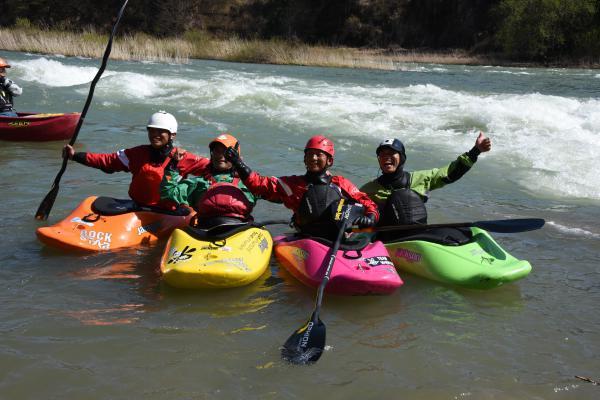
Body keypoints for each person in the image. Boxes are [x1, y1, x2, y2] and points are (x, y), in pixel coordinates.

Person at [224, 135, 379, 239]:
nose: (313, 158)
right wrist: (239, 164)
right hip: (307, 237)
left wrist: (370, 217)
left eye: (319, 154)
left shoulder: (341, 183)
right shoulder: (292, 184)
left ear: (329, 161)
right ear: (304, 159)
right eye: (309, 154)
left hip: (337, 236)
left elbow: (365, 201)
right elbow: (259, 184)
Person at [63, 111, 204, 210]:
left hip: (168, 213)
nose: (154, 135)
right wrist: (75, 155)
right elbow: (107, 161)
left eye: (160, 131)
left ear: (172, 134)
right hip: (138, 207)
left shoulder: (183, 158)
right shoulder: (136, 153)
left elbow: (214, 168)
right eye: (151, 130)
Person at [360, 132, 492, 227]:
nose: (386, 157)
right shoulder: (367, 190)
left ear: (402, 158)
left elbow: (450, 174)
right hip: (385, 239)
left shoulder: (421, 179)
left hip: (417, 237)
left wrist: (475, 151)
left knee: (404, 195)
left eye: (391, 153)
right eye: (382, 154)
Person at [160, 133, 257, 226]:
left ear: (236, 156)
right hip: (207, 231)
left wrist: (242, 167)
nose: (220, 155)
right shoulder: (199, 183)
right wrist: (172, 166)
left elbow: (269, 192)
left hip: (241, 230)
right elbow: (168, 193)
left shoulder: (249, 182)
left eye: (226, 152)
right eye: (217, 151)